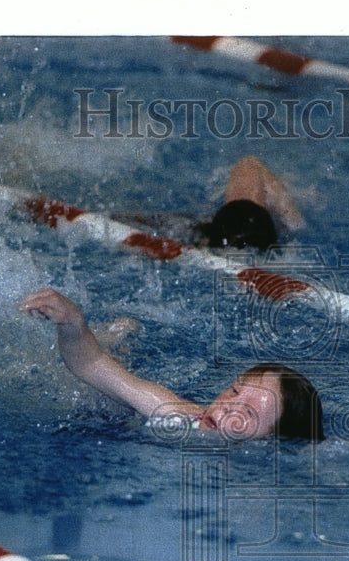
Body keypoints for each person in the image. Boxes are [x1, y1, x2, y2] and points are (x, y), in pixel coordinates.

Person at [19, 287, 323, 441]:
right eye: (233, 392)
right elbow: (93, 365)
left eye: (247, 412)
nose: (225, 408)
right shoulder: (178, 416)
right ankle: (122, 334)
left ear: (271, 441)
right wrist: (73, 322)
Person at [120, 155, 305, 251]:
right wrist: (296, 226)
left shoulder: (190, 235)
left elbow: (249, 164)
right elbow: (249, 164)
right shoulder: (284, 250)